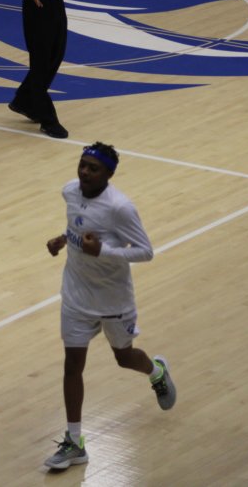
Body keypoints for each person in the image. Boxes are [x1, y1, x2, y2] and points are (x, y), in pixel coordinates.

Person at [43, 142, 176, 470]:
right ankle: (75, 443)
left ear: (109, 174)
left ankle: (156, 371)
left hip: (113, 299)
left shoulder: (120, 208)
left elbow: (145, 251)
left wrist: (103, 251)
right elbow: (77, 225)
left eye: (94, 168)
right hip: (76, 295)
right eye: (82, 164)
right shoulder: (69, 191)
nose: (85, 172)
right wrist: (63, 239)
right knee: (72, 366)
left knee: (124, 358)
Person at [2, 0, 84, 139]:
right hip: (36, 2)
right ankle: (48, 120)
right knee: (41, 62)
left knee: (56, 53)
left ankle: (23, 99)